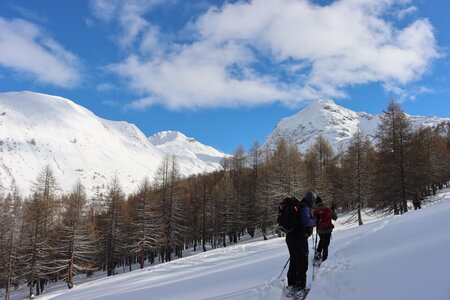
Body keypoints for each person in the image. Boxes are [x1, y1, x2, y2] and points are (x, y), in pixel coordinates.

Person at [285, 191, 316, 298]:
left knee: (294, 260)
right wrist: (315, 221)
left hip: (290, 237)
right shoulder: (304, 207)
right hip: (299, 238)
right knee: (302, 262)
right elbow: (307, 221)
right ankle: (300, 289)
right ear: (311, 200)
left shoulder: (297, 205)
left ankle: (291, 287)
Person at [313, 197, 337, 263]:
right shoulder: (327, 209)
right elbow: (335, 217)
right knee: (326, 244)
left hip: (319, 230)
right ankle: (325, 259)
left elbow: (312, 219)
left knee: (322, 240)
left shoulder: (315, 210)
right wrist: (333, 210)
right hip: (328, 229)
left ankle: (318, 253)